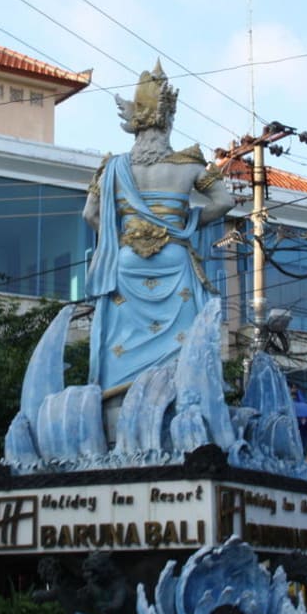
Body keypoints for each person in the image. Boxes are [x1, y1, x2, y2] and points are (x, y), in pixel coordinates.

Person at [83, 61, 234, 392]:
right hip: (173, 258)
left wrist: (121, 237)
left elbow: (89, 215)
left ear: (135, 124)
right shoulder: (189, 164)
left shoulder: (112, 168)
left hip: (127, 263)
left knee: (120, 340)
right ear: (168, 121)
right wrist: (185, 224)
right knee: (183, 344)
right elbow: (224, 202)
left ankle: (115, 403)